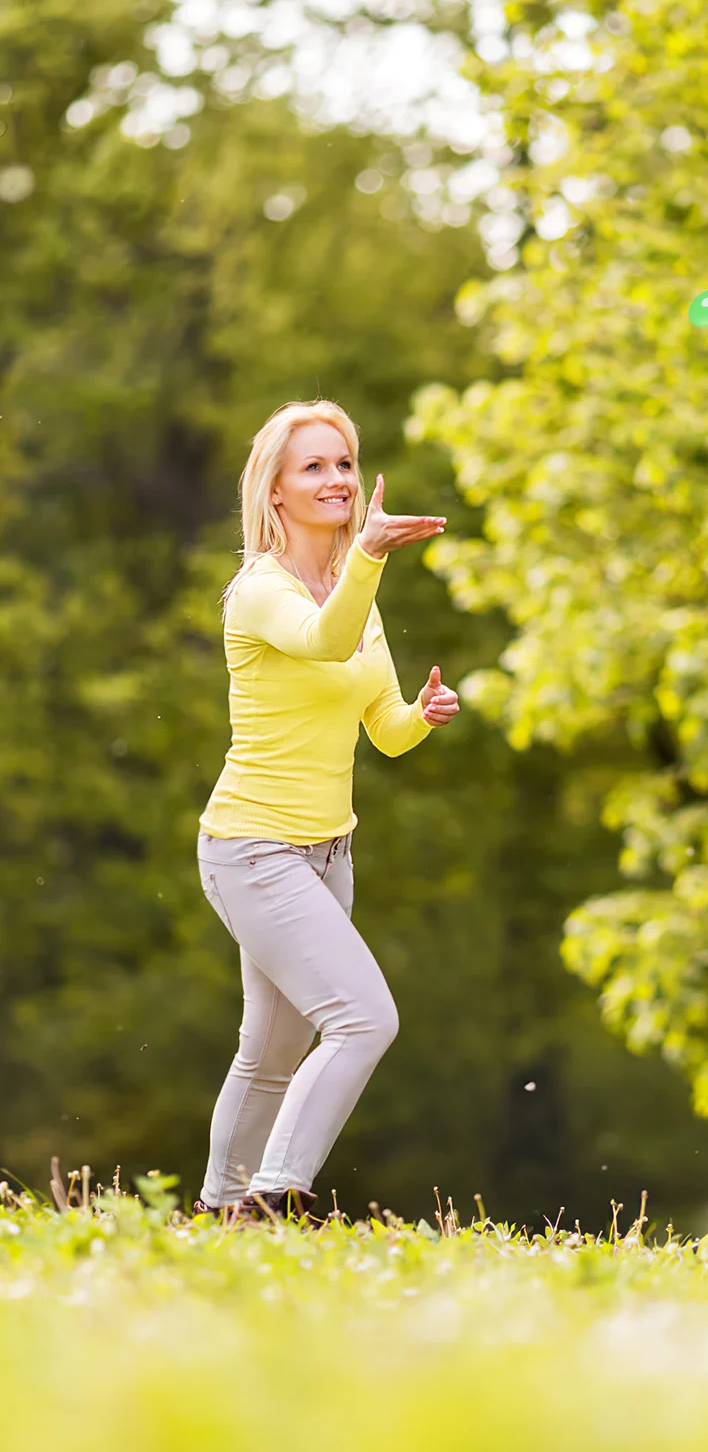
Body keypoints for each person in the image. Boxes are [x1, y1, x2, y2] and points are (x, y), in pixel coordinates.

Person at [194, 401, 460, 1220]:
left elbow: (382, 732)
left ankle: (215, 1214)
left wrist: (422, 714)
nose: (336, 479)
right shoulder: (258, 592)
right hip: (252, 848)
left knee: (273, 1052)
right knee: (363, 1020)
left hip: (327, 855)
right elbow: (322, 641)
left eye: (344, 463)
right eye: (314, 466)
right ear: (274, 491)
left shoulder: (356, 595)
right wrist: (371, 559)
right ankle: (271, 1198)